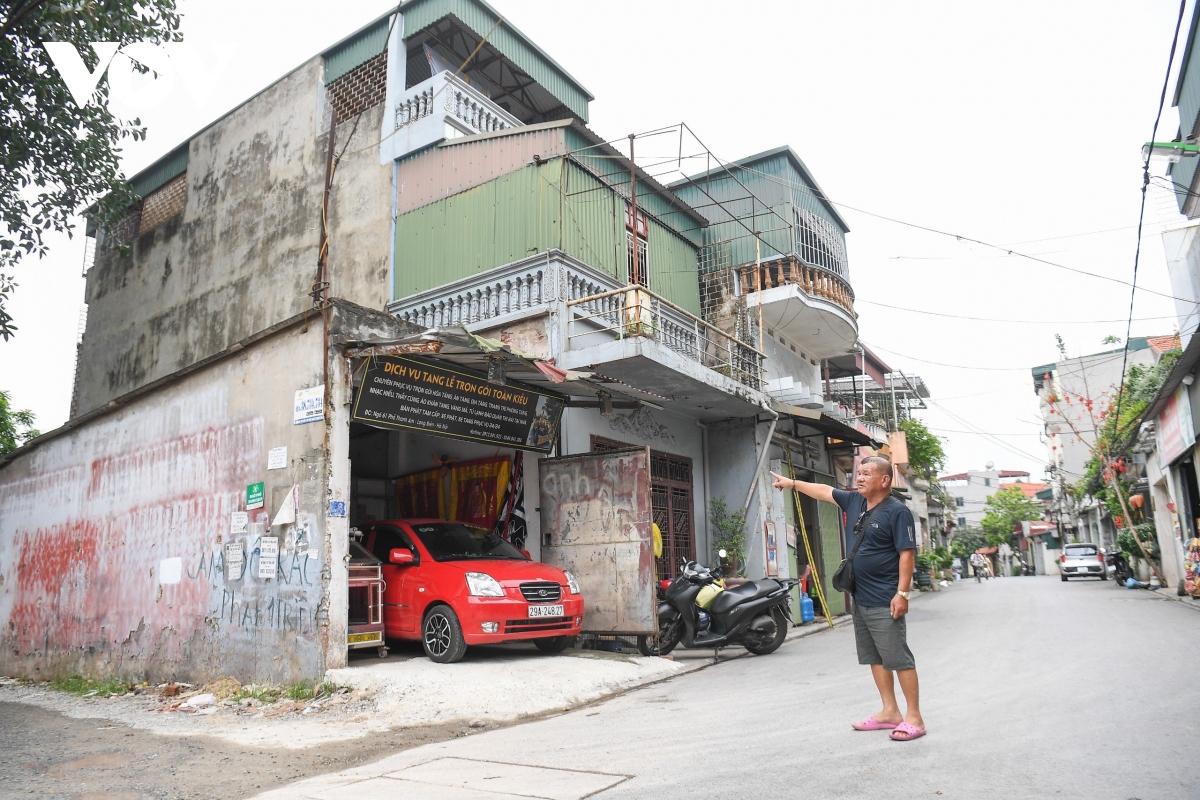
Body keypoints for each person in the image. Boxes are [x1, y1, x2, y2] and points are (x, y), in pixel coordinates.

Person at [771, 456, 926, 742]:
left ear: (884, 480)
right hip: (860, 594)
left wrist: (902, 593)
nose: (860, 478)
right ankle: (890, 711)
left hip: (885, 597)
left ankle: (914, 717)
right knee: (875, 657)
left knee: (898, 657)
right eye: (859, 473)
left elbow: (907, 554)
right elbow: (824, 491)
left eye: (867, 474)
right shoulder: (855, 502)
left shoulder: (897, 512)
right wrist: (791, 483)